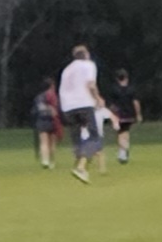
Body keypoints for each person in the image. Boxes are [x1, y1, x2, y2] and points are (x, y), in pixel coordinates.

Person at [57, 45, 107, 183]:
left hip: (68, 107)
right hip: (84, 103)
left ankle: (79, 163)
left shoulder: (67, 69)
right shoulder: (88, 65)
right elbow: (90, 84)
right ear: (86, 54)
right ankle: (81, 167)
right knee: (94, 137)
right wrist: (98, 98)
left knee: (77, 137)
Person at [110, 67, 142, 164]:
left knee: (120, 133)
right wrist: (138, 114)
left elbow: (112, 105)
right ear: (126, 78)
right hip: (129, 114)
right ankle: (124, 150)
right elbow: (136, 103)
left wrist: (112, 114)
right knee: (125, 132)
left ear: (117, 79)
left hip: (118, 115)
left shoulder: (114, 90)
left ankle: (122, 152)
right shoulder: (131, 89)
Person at [30, 81, 61, 168]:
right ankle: (52, 162)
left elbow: (36, 110)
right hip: (53, 121)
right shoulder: (54, 96)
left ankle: (45, 161)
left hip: (42, 120)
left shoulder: (38, 97)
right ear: (51, 86)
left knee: (44, 142)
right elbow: (59, 109)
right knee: (52, 143)